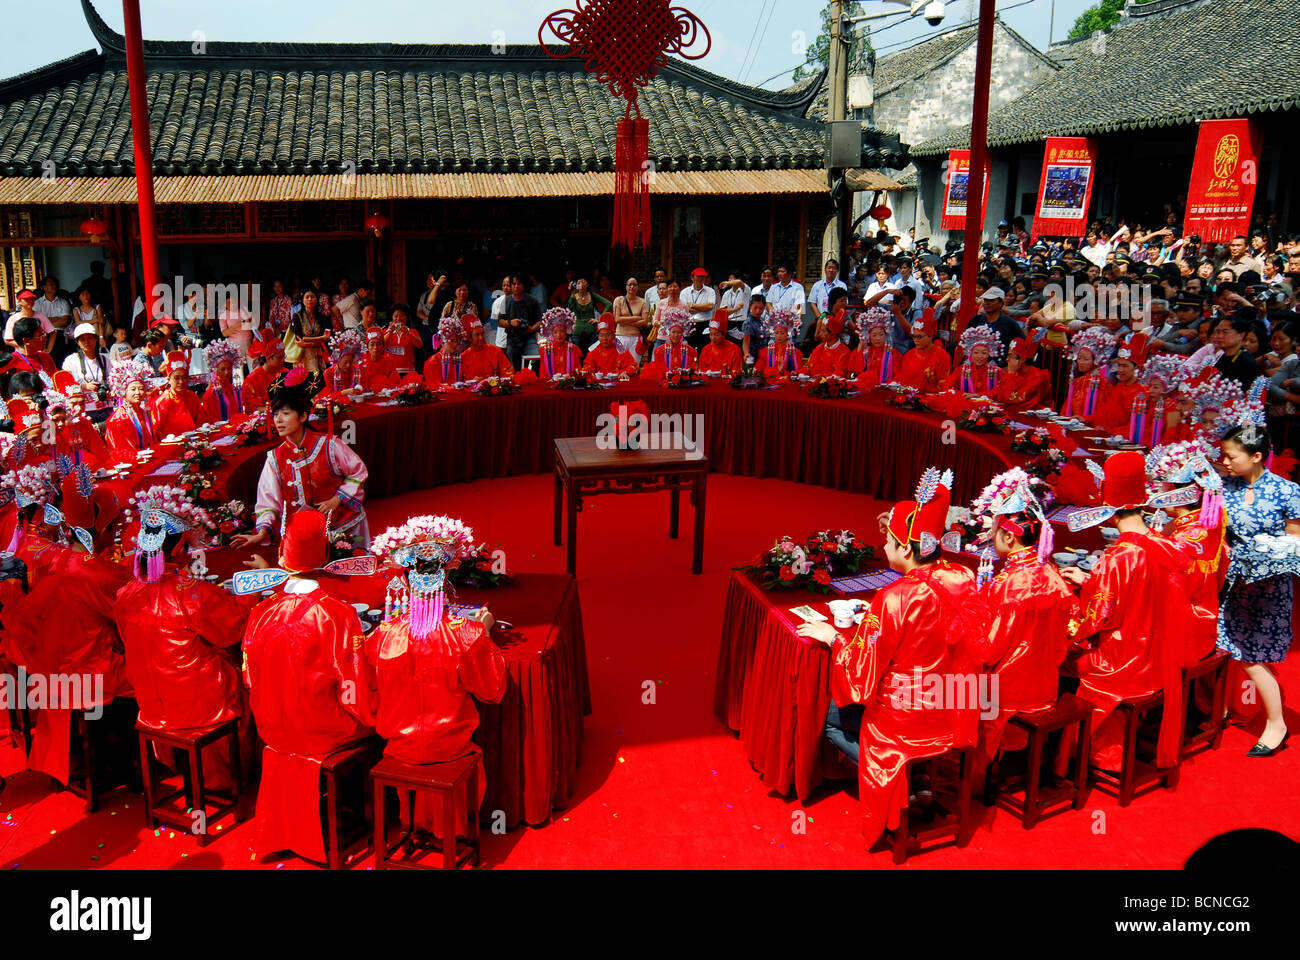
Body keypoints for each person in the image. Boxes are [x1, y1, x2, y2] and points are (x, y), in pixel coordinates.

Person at [795, 468, 982, 850]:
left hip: (908, 718)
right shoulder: (963, 577)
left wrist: (835, 638)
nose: (883, 548)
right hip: (958, 704)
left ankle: (902, 781)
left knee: (830, 718)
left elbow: (861, 671)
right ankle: (922, 779)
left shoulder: (895, 599)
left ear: (906, 548)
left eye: (889, 540)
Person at [242, 509, 377, 864]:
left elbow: (249, 676)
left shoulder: (261, 611)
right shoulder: (338, 614)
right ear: (328, 557)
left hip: (272, 729)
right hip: (322, 732)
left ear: (282, 556)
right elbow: (354, 687)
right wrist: (373, 715)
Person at [364, 520, 507, 840]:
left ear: (405, 582)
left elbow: (370, 690)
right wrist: (484, 633)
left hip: (399, 746)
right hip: (449, 747)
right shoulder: (464, 635)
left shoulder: (383, 636)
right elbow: (492, 690)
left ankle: (410, 822)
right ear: (445, 581)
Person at [114, 485, 252, 786]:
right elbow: (234, 629)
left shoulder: (125, 594)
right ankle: (235, 775)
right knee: (246, 676)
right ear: (178, 549)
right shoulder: (192, 594)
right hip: (198, 705)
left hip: (151, 702)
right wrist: (248, 597)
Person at [3, 466, 130, 792]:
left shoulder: (50, 558)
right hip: (88, 670)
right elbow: (129, 615)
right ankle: (133, 760)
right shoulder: (95, 573)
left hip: (51, 662)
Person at [1064, 451, 1191, 772]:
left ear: (1109, 508)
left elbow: (1098, 617)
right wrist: (1091, 581)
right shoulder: (1164, 542)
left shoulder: (1118, 558)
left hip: (1124, 663)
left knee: (1062, 656)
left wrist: (1070, 615)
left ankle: (1079, 754)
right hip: (1157, 653)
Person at [970, 470, 1073, 762]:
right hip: (1044, 681)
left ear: (1009, 538)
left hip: (1006, 690)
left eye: (995, 533)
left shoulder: (1008, 584)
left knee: (946, 685)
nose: (992, 539)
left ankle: (967, 771)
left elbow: (989, 650)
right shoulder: (1052, 573)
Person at [1216, 422, 1300, 756]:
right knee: (1224, 647)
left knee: (1252, 656)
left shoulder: (1286, 491)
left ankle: (1277, 724)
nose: (1224, 461)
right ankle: (1219, 709)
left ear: (1256, 456)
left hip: (1268, 585)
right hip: (1231, 580)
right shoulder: (1225, 486)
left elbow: (1295, 538)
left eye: (1231, 456)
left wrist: (1263, 555)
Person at [230, 370, 370, 552]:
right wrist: (261, 533)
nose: (278, 420)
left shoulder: (329, 445)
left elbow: (357, 471)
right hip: (303, 535)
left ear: (303, 416)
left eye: (286, 414)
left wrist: (337, 499)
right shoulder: (275, 458)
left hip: (344, 526)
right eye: (275, 414)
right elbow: (268, 501)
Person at [1146, 440, 1226, 665]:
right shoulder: (1209, 522)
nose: (1158, 491)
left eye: (1164, 486)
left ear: (1180, 494)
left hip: (1180, 631)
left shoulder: (1183, 540)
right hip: (1202, 621)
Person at [104, 359, 158, 457]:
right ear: (123, 391)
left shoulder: (143, 412)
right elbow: (120, 450)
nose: (137, 392)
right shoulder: (118, 418)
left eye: (141, 389)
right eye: (133, 389)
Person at [1060, 327, 1116, 417]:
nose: (1081, 362)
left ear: (1096, 360)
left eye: (1086, 359)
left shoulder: (1103, 383)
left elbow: (1103, 411)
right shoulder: (1078, 381)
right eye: (1079, 358)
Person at [149, 350, 203, 437]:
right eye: (176, 378)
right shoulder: (161, 402)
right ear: (169, 379)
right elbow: (157, 431)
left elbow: (201, 422)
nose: (181, 382)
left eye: (184, 377)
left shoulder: (193, 397)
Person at [840, 310, 901, 387]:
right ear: (869, 336)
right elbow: (855, 370)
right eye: (874, 335)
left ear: (886, 335)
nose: (878, 338)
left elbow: (899, 375)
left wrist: (889, 385)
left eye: (881, 334)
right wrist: (860, 345)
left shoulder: (893, 353)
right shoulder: (865, 351)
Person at [896, 310, 950, 392]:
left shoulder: (943, 356)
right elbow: (902, 378)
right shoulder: (909, 355)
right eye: (914, 337)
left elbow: (944, 384)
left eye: (919, 337)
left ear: (930, 336)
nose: (916, 340)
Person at [992, 338, 1052, 409]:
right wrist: (979, 395)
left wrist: (1011, 374)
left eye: (1010, 356)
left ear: (1022, 359)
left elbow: (1011, 399)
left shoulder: (1037, 377)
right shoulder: (1017, 372)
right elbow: (998, 392)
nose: (1007, 359)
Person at [943, 325, 1001, 394]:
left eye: (984, 353)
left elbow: (1002, 390)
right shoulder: (961, 370)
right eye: (976, 352)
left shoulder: (996, 371)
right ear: (970, 353)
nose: (980, 356)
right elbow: (947, 386)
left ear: (989, 354)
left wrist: (979, 395)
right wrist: (962, 394)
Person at [500, 275, 542, 370]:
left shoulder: (532, 300)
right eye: (514, 284)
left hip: (529, 338)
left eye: (519, 284)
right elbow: (500, 321)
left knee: (536, 358)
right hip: (512, 339)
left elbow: (540, 321)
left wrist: (531, 329)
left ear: (524, 285)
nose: (516, 286)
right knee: (514, 368)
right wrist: (511, 322)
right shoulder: (505, 301)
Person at [285, 289, 332, 374]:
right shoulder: (297, 316)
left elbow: (326, 338)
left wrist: (308, 342)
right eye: (307, 297)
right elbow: (300, 338)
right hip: (302, 356)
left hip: (318, 355)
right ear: (302, 300)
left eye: (312, 297)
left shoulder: (321, 317)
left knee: (318, 380)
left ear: (317, 300)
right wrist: (319, 338)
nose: (310, 299)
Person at [199, 340, 246, 422]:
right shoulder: (211, 394)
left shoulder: (234, 389)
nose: (226, 372)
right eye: (223, 369)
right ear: (216, 371)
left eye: (229, 369)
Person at [1214, 312, 1261, 392]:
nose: (1219, 336)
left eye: (1225, 332)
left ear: (1241, 335)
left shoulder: (1246, 361)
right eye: (1218, 332)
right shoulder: (1225, 356)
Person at [754, 309, 803, 379]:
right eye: (776, 333)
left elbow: (800, 370)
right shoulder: (766, 352)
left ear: (787, 334)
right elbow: (758, 369)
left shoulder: (794, 352)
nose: (779, 336)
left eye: (782, 333)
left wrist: (795, 373)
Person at [6, 316, 57, 382]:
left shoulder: (46, 357)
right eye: (40, 336)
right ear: (26, 341)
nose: (45, 338)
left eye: (44, 334)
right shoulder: (12, 362)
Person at [569, 277, 613, 353]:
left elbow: (609, 304)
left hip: (591, 329)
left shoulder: (592, 295)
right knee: (577, 354)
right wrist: (572, 292)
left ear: (588, 284)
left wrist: (599, 319)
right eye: (579, 282)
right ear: (576, 285)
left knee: (592, 353)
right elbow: (570, 308)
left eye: (583, 282)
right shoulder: (573, 296)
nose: (581, 284)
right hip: (577, 330)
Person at [242, 338, 287, 410]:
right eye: (280, 357)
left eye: (284, 356)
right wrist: (275, 410)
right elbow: (251, 408)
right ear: (268, 358)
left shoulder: (286, 374)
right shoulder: (252, 380)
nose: (284, 360)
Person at [60, 322, 108, 391]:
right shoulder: (71, 361)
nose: (87, 342)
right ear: (77, 342)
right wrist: (83, 387)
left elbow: (112, 382)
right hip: (81, 400)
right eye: (82, 340)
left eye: (90, 338)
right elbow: (66, 385)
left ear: (96, 339)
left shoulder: (104, 359)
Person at [538, 308, 583, 377]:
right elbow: (543, 372)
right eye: (555, 332)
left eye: (561, 331)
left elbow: (577, 370)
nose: (559, 335)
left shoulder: (573, 348)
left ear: (566, 332)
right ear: (552, 334)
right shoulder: (545, 350)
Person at [423, 317, 467, 387]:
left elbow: (463, 379)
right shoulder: (433, 361)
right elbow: (434, 385)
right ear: (441, 342)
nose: (455, 344)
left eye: (457, 341)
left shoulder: (458, 358)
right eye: (451, 341)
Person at [382, 303, 423, 377]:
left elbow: (420, 345)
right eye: (396, 316)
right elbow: (381, 345)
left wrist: (408, 333)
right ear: (392, 318)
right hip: (390, 371)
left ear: (406, 317)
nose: (398, 318)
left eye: (401, 316)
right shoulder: (385, 331)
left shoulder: (412, 331)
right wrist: (389, 332)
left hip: (408, 371)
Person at [610, 278, 649, 356]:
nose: (632, 287)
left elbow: (644, 321)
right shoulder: (618, 300)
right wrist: (637, 318)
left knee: (634, 364)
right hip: (620, 337)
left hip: (636, 338)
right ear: (626, 287)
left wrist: (624, 322)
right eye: (630, 284)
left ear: (638, 287)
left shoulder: (643, 302)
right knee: (619, 362)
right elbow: (617, 319)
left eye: (634, 285)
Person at [323, 329, 365, 395]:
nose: (348, 365)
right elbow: (330, 395)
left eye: (351, 362)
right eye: (345, 362)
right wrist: (344, 392)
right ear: (338, 360)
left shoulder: (357, 370)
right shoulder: (329, 373)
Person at [741, 293, 769, 363]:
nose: (758, 311)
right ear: (750, 306)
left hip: (764, 356)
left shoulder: (763, 320)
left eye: (761, 308)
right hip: (753, 358)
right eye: (755, 308)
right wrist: (746, 353)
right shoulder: (748, 322)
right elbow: (746, 340)